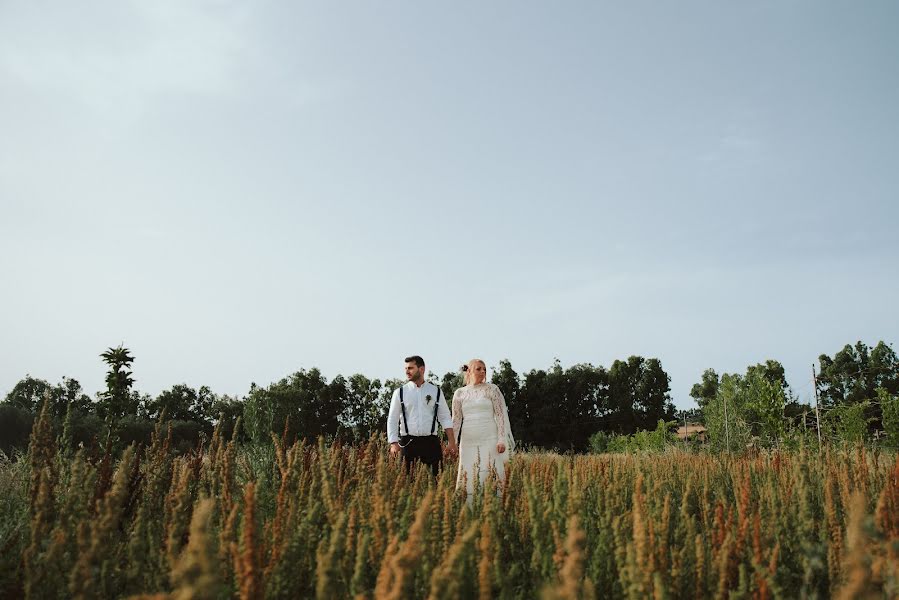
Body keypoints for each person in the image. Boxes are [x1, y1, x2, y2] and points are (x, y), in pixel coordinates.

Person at [452, 358, 515, 494]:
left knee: (491, 472)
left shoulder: (492, 389)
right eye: (478, 368)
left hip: (490, 439)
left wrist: (501, 439)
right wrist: (453, 443)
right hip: (468, 441)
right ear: (469, 371)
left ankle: (494, 505)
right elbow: (456, 420)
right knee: (468, 473)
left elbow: (500, 415)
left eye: (484, 369)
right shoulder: (459, 393)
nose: (483, 372)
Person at [387, 355, 456, 476]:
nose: (407, 371)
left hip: (431, 443)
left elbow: (445, 417)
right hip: (408, 443)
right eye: (406, 368)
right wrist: (393, 443)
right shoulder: (399, 393)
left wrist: (451, 442)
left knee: (437, 481)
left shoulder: (436, 391)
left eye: (410, 368)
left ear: (421, 369)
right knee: (407, 483)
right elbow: (392, 419)